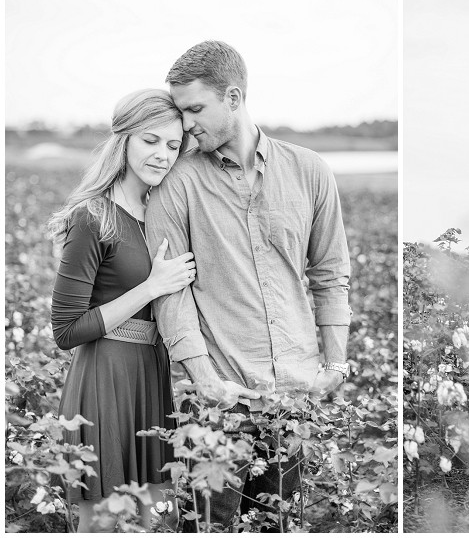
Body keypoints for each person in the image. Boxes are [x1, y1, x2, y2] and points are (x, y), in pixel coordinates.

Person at [145, 40, 352, 530]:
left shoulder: (309, 171)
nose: (187, 124)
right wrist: (204, 379)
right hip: (220, 398)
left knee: (280, 525)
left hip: (295, 396)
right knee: (210, 528)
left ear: (234, 98)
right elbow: (170, 291)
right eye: (181, 111)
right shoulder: (176, 184)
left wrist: (336, 362)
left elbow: (330, 274)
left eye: (196, 108)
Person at [47, 89, 196, 532]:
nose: (163, 155)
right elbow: (66, 329)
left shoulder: (161, 211)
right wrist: (152, 287)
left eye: (173, 146)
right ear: (125, 139)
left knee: (155, 516)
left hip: (152, 375)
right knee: (108, 520)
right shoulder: (93, 215)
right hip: (105, 378)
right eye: (151, 140)